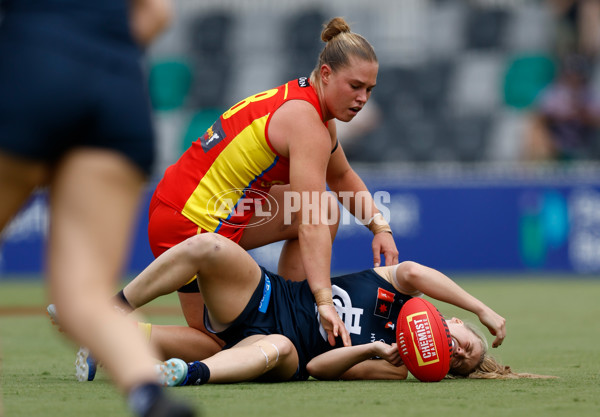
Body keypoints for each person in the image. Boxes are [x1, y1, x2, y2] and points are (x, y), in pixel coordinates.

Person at [120, 15, 399, 360]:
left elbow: (341, 177)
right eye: (355, 86)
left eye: (369, 90)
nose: (362, 99)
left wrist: (380, 227)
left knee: (326, 208)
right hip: (190, 225)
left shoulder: (308, 106)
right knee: (221, 344)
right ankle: (114, 334)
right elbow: (310, 222)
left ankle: (293, 321)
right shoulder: (308, 124)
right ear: (326, 74)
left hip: (180, 205)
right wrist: (325, 301)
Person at [0, 1, 195, 416]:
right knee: (83, 296)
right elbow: (157, 14)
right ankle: (148, 394)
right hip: (118, 86)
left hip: (31, 65)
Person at [113, 232, 551, 384]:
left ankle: (188, 375)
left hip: (285, 353)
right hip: (268, 294)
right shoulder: (397, 291)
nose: (457, 352)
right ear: (454, 322)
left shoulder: (397, 364)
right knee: (207, 246)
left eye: (458, 363)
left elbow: (319, 368)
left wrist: (371, 351)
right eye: (466, 345)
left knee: (279, 346)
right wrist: (485, 311)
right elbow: (413, 269)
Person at [523, 54, 600, 161]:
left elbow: (596, 120)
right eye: (571, 74)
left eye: (577, 74)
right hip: (558, 141)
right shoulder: (553, 93)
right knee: (537, 130)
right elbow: (539, 117)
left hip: (586, 140)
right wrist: (561, 116)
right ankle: (541, 166)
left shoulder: (591, 94)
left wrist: (581, 115)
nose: (575, 78)